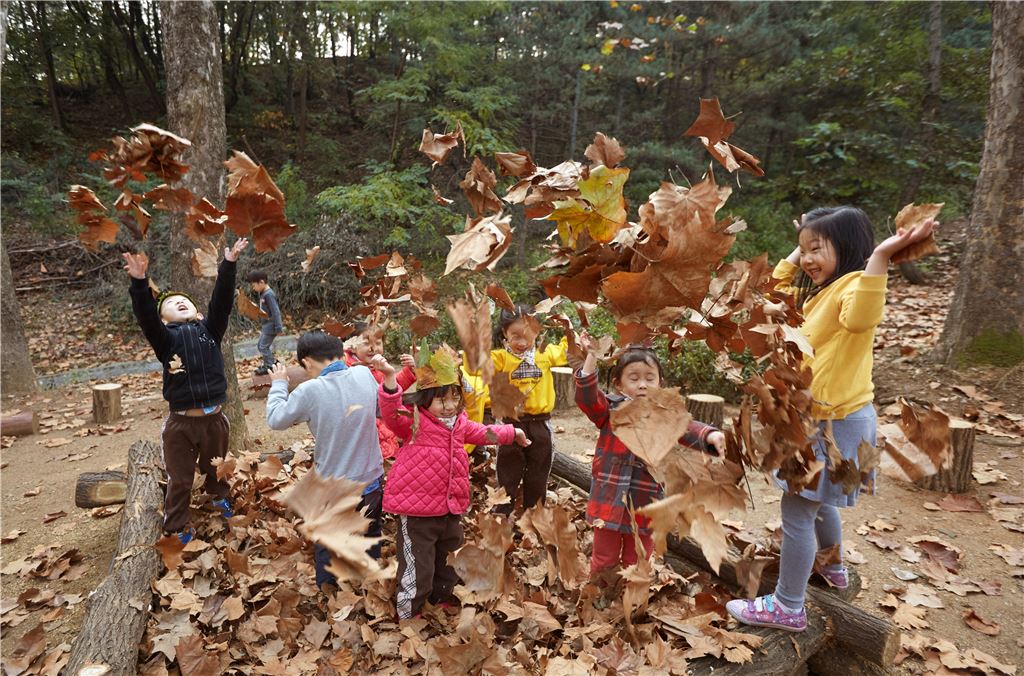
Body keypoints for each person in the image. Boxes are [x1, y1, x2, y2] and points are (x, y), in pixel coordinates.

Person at [726, 207, 938, 632]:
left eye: (816, 249)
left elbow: (862, 317)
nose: (806, 259)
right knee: (818, 503)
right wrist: (803, 244)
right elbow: (772, 289)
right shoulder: (823, 291)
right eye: (803, 250)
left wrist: (881, 256)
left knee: (797, 509)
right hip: (827, 419)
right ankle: (833, 565)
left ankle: (788, 606)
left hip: (834, 425)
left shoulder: (855, 286)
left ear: (847, 246)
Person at [372, 349, 530, 620]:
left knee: (449, 559)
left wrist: (511, 433)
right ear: (425, 399)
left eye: (454, 398)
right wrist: (389, 378)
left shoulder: (459, 423)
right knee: (418, 565)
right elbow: (390, 413)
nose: (448, 406)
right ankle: (409, 611)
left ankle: (442, 597)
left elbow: (483, 432)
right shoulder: (414, 422)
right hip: (417, 512)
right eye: (441, 400)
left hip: (450, 507)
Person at [123, 238, 249, 544]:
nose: (179, 303)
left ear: (198, 312)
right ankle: (176, 526)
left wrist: (229, 264)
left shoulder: (210, 331)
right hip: (181, 423)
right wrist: (139, 283)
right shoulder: (165, 339)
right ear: (164, 318)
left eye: (185, 301)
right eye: (170, 304)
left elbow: (222, 302)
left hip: (214, 420)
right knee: (180, 478)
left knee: (215, 468)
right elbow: (146, 317)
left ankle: (218, 499)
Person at [575, 334, 726, 575]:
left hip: (645, 501)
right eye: (634, 378)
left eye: (649, 378)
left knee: (638, 561)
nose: (642, 384)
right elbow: (587, 398)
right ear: (618, 384)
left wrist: (710, 435)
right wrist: (592, 355)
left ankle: (633, 596)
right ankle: (600, 593)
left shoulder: (664, 415)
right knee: (604, 559)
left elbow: (686, 427)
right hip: (608, 498)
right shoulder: (610, 410)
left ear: (660, 383)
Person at [264, 330, 384, 590]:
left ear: (307, 362)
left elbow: (276, 419)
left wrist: (279, 384)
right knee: (370, 535)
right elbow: (380, 410)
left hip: (332, 487)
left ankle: (330, 593)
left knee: (328, 544)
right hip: (371, 480)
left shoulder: (310, 390)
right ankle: (372, 587)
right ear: (340, 353)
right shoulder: (364, 374)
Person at [490, 304, 568, 515]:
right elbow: (476, 366)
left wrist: (568, 328)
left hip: (540, 423)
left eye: (527, 335)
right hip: (510, 424)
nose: (522, 343)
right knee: (508, 472)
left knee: (538, 473)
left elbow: (568, 350)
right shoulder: (500, 358)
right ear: (505, 333)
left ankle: (534, 516)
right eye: (515, 336)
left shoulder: (545, 354)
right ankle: (501, 516)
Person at [343, 322, 417, 460]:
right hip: (365, 429)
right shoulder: (346, 368)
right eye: (366, 343)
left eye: (378, 343)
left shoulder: (377, 366)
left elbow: (389, 390)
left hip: (383, 428)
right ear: (351, 347)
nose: (373, 348)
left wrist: (410, 370)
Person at [246, 270, 284, 375]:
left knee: (263, 346)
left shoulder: (269, 295)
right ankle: (272, 362)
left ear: (261, 282)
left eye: (254, 285)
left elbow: (276, 312)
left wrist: (279, 328)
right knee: (260, 345)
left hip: (271, 326)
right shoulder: (263, 293)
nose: (253, 288)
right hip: (266, 326)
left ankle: (269, 366)